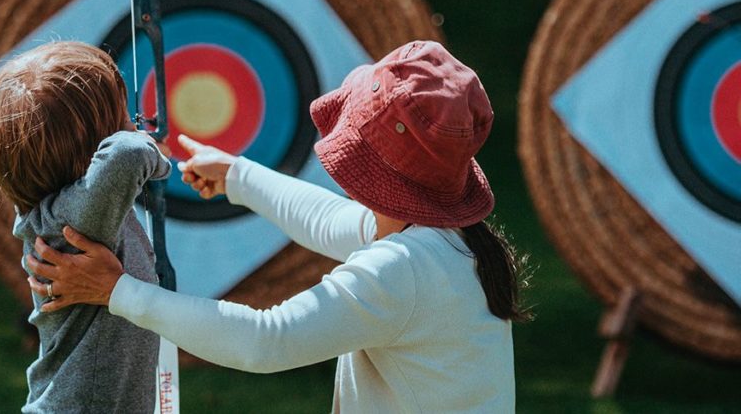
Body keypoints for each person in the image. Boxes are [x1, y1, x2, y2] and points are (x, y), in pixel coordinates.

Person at [27, 40, 530, 413]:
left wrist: (117, 291)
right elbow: (332, 220)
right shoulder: (445, 241)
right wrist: (239, 177)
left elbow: (267, 341)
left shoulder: (402, 269)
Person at [0, 41, 171, 413]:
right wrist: (153, 152)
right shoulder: (76, 222)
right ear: (92, 149)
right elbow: (127, 156)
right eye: (123, 118)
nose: (133, 126)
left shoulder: (70, 209)